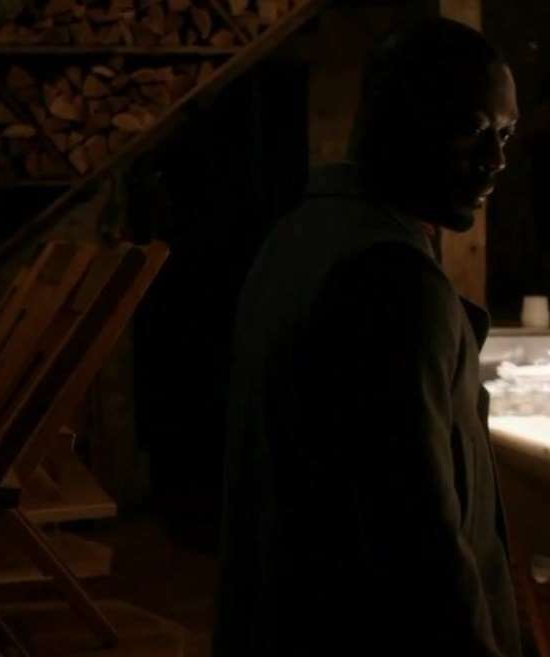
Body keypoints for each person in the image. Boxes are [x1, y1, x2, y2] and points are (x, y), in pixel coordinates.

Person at [215, 17, 523, 657]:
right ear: (397, 121)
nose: (495, 161)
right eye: (472, 129)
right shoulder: (391, 279)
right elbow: (420, 543)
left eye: (505, 134)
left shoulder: (298, 235)